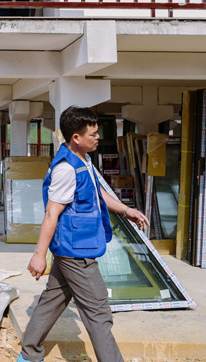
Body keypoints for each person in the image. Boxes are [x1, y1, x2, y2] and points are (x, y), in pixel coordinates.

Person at [17, 106, 149, 362]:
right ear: (75, 137)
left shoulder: (84, 160)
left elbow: (96, 193)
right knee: (98, 312)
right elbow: (51, 214)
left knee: (52, 301)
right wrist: (38, 255)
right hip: (76, 252)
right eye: (93, 134)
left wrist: (125, 209)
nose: (98, 137)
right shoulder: (66, 169)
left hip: (74, 247)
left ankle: (29, 355)